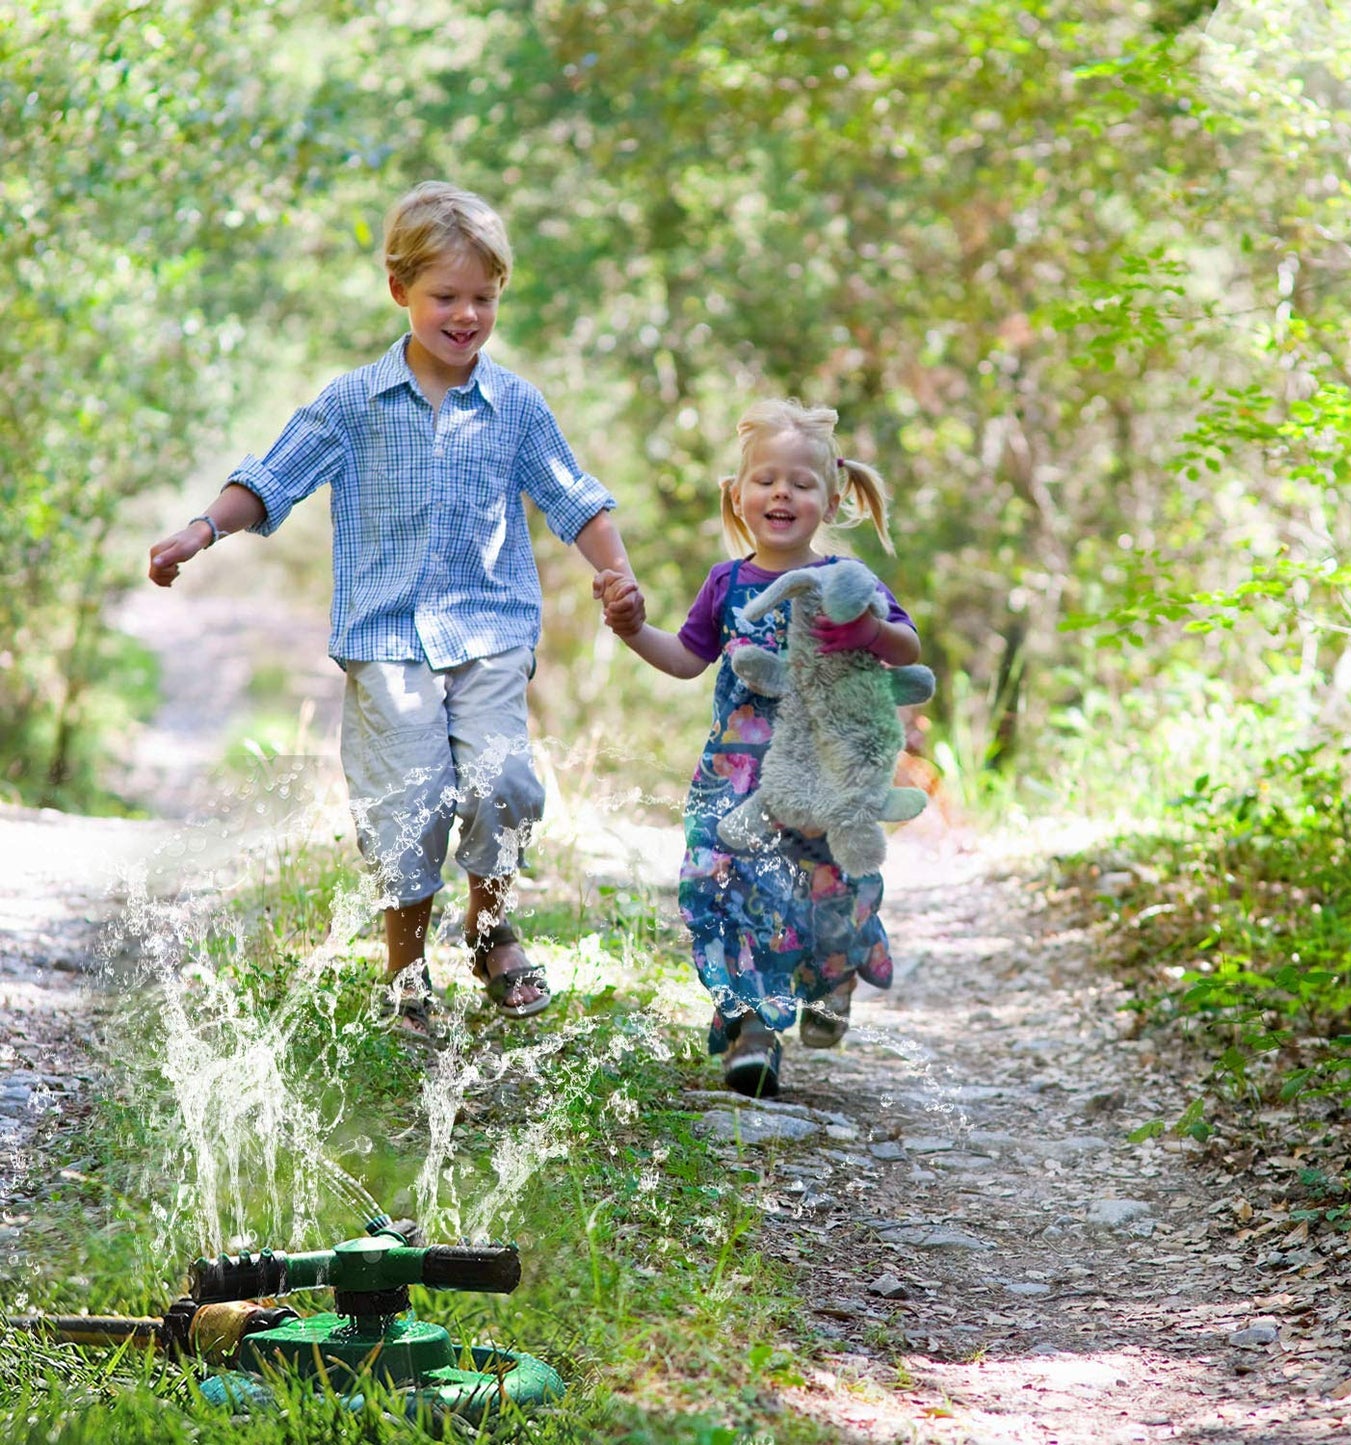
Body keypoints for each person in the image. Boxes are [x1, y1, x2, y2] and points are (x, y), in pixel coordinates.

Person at [148, 181, 643, 1030]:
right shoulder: (353, 402)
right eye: (445, 296)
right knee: (410, 799)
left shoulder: (515, 405)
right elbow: (273, 476)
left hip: (489, 630)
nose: (465, 316)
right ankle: (405, 970)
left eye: (481, 298)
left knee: (503, 781)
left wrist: (617, 572)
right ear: (399, 291)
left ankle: (489, 930)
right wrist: (201, 530)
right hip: (386, 639)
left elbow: (574, 497)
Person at [595, 398, 920, 1096]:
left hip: (823, 776)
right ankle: (752, 1031)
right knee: (727, 883)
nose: (782, 492)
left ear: (831, 498)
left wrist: (869, 632)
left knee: (824, 886)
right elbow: (685, 660)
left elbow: (907, 646)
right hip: (734, 774)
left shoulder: (842, 583)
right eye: (766, 480)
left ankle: (834, 980)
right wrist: (630, 629)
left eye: (801, 483)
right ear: (737, 496)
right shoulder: (725, 581)